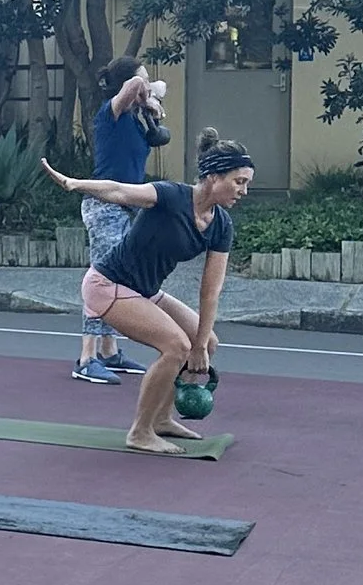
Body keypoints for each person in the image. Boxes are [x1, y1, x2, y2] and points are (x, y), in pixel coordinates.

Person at [43, 137, 255, 454]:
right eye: (239, 182)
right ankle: (140, 431)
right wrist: (75, 184)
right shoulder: (171, 196)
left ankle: (162, 419)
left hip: (145, 291)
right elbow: (119, 190)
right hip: (107, 285)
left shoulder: (221, 225)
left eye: (246, 184)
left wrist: (200, 346)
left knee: (206, 342)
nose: (244, 191)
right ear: (214, 176)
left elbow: (211, 291)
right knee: (177, 346)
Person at [75, 60, 171, 383]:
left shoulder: (138, 120)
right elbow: (133, 89)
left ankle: (109, 350)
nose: (146, 85)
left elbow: (159, 91)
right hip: (103, 206)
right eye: (141, 79)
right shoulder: (110, 114)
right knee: (102, 279)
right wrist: (147, 91)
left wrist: (152, 102)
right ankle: (86, 357)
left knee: (120, 280)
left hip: (128, 208)